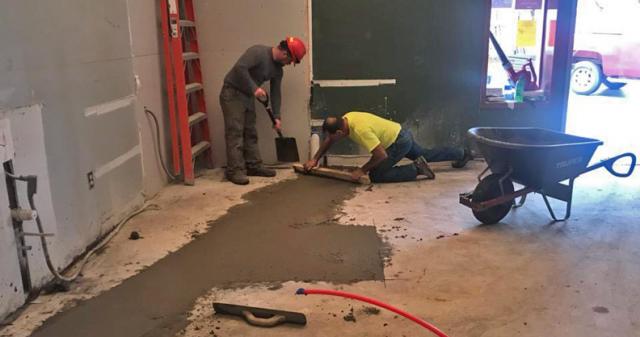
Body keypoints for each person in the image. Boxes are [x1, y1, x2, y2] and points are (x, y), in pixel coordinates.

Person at [220, 37, 307, 185]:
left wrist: (277, 117)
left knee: (250, 132)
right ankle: (234, 171)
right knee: (235, 132)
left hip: (247, 96)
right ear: (285, 53)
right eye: (290, 61)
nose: (288, 64)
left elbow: (275, 93)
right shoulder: (258, 52)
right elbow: (240, 68)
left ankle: (253, 166)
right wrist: (255, 88)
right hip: (232, 93)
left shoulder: (278, 71)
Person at [303, 112, 473, 183]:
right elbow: (328, 141)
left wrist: (362, 170)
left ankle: (416, 169)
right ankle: (463, 153)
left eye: (333, 136)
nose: (330, 140)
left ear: (340, 131)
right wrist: (314, 159)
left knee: (377, 175)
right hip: (401, 133)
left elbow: (381, 155)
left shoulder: (360, 130)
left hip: (398, 142)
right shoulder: (346, 118)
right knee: (426, 153)